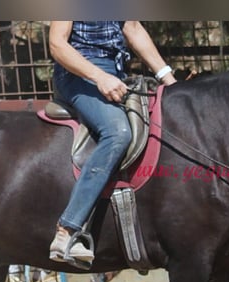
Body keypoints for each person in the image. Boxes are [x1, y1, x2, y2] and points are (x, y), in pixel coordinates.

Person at [48, 21, 177, 265]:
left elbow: (134, 29)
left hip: (115, 73)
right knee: (117, 132)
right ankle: (68, 229)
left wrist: (169, 80)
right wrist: (99, 76)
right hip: (78, 73)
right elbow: (57, 45)